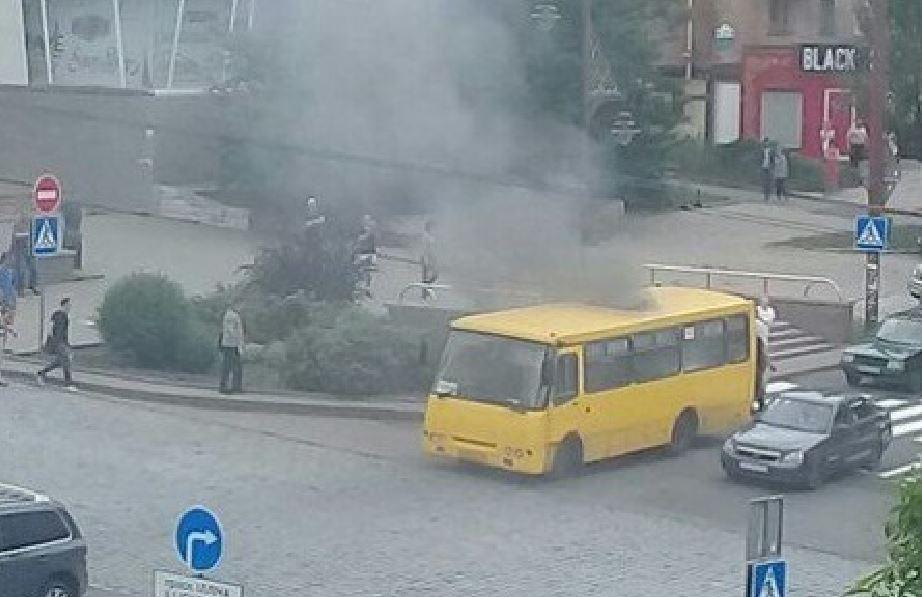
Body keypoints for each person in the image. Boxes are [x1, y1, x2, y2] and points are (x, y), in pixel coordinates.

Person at [36, 297, 76, 391]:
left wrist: (67, 344)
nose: (70, 307)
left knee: (59, 362)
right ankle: (68, 383)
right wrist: (52, 340)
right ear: (65, 305)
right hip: (57, 342)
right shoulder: (58, 314)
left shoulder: (66, 316)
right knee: (66, 360)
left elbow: (64, 332)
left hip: (62, 341)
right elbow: (51, 327)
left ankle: (41, 373)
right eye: (69, 305)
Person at [218, 305, 244, 394]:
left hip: (234, 345)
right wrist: (236, 340)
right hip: (230, 345)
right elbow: (230, 330)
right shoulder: (230, 315)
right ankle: (224, 386)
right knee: (228, 366)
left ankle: (236, 386)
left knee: (236, 366)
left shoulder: (235, 315)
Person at [420, 220, 438, 300]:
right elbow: (424, 249)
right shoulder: (425, 236)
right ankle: (425, 293)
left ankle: (427, 290)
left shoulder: (432, 236)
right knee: (427, 275)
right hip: (427, 258)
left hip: (432, 258)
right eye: (433, 227)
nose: (435, 229)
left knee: (434, 275)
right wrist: (425, 259)